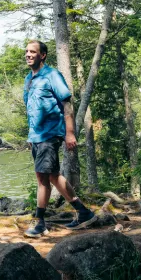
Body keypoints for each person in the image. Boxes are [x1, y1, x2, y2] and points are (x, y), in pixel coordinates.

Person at [22, 41, 98, 237]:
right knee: (54, 176)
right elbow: (30, 108)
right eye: (27, 52)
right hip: (37, 136)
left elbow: (67, 105)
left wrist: (70, 132)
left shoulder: (52, 75)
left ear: (43, 55)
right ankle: (83, 212)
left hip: (50, 134)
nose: (28, 55)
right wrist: (31, 135)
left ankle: (39, 223)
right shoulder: (28, 79)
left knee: (42, 179)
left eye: (33, 52)